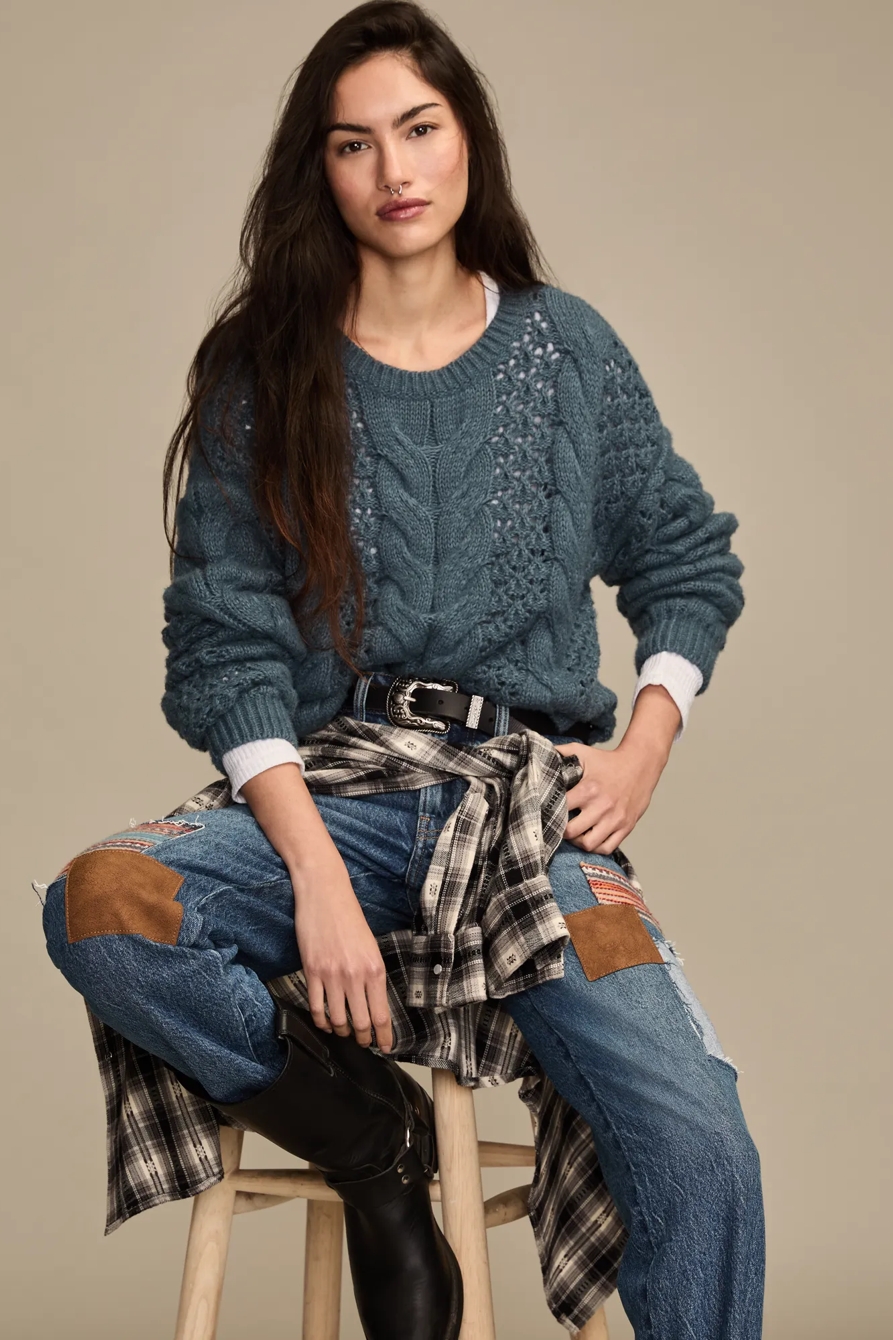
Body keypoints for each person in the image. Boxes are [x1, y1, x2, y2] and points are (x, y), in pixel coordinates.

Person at [41, 2, 765, 1337]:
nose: (394, 171)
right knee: (101, 907)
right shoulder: (267, 372)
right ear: (318, 169)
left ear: (467, 136)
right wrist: (315, 875)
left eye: (419, 129)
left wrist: (645, 745)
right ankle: (370, 1146)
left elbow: (684, 558)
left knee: (700, 1138)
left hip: (526, 813)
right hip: (335, 795)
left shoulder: (565, 351)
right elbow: (226, 643)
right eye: (353, 143)